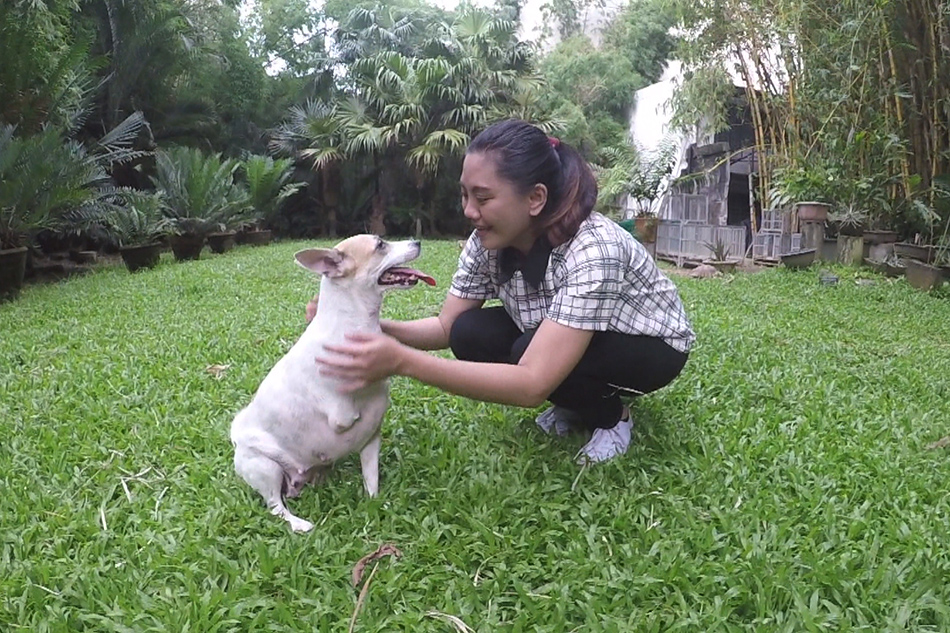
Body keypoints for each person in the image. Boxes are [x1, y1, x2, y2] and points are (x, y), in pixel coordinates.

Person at [309, 119, 695, 464]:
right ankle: (574, 404)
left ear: (535, 199)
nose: (469, 211)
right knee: (469, 331)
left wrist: (402, 362)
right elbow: (446, 327)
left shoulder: (594, 248)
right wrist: (366, 328)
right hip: (560, 330)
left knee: (529, 356)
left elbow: (531, 384)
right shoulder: (486, 241)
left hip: (650, 346)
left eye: (483, 197)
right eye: (464, 195)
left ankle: (612, 416)